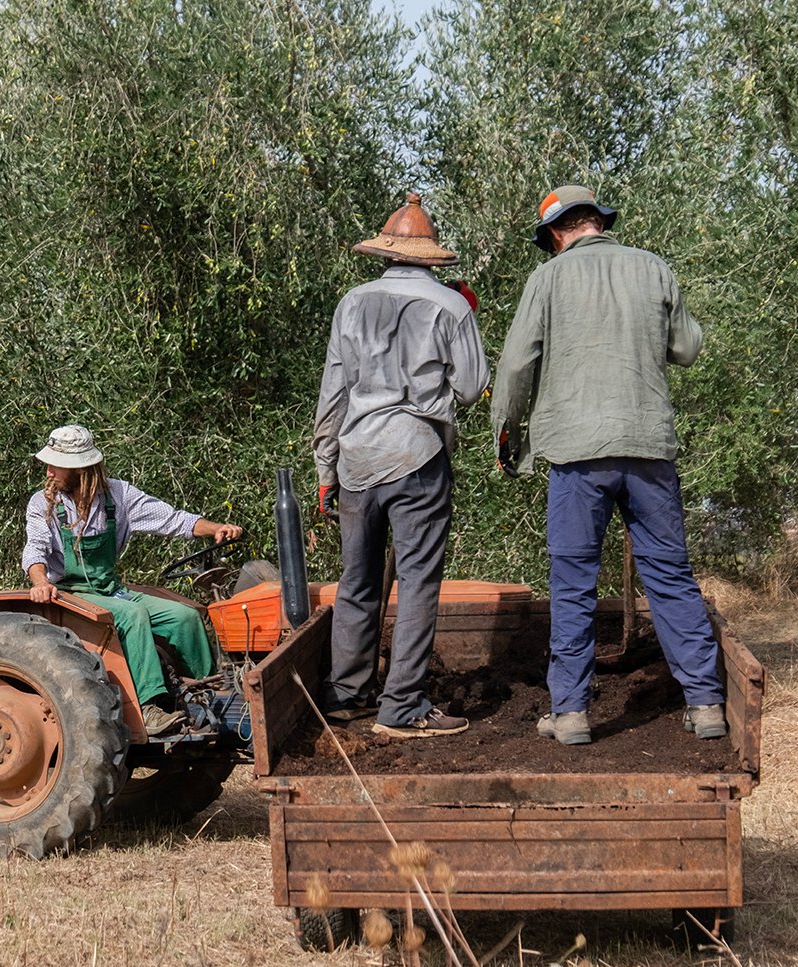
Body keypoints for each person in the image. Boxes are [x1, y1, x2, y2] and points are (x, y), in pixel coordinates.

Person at [492, 184, 727, 747]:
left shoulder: (546, 280)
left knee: (573, 584)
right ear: (599, 221)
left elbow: (517, 363)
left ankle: (571, 713)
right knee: (669, 576)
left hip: (577, 456)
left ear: (554, 234)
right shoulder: (653, 268)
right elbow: (688, 348)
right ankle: (708, 704)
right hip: (648, 448)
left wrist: (509, 434)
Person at [312, 193, 490, 739]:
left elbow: (333, 393)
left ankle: (346, 693)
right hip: (417, 456)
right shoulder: (451, 306)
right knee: (416, 582)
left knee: (358, 581)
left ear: (387, 253)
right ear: (431, 256)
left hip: (357, 461)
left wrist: (325, 470)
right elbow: (471, 386)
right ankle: (403, 707)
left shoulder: (352, 303)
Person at [22, 424, 243, 737]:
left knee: (185, 617)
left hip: (110, 589)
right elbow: (36, 548)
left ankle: (211, 698)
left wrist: (215, 528)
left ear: (78, 467)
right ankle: (149, 707)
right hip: (70, 593)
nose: (48, 471)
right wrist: (40, 582)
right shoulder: (43, 503)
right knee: (132, 615)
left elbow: (172, 519)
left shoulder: (119, 496)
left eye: (54, 465)